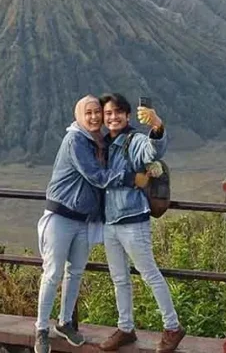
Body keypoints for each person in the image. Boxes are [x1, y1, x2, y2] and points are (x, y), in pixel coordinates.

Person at [35, 95, 147, 353]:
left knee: (75, 273)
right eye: (89, 113)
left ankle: (65, 323)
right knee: (52, 274)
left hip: (84, 221)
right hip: (61, 217)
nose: (95, 117)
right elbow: (96, 177)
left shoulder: (98, 142)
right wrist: (131, 179)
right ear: (79, 115)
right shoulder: (75, 139)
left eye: (98, 112)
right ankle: (41, 328)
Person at [98, 93, 185, 353]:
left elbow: (153, 150)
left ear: (127, 115)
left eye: (117, 112)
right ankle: (125, 327)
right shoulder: (103, 144)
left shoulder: (134, 140)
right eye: (108, 113)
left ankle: (172, 326)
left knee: (149, 274)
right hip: (110, 222)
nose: (113, 117)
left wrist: (157, 126)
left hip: (133, 220)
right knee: (119, 278)